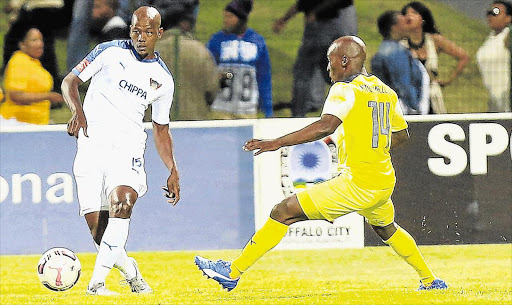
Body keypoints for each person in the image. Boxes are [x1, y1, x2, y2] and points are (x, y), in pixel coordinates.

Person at [194, 36, 448, 292]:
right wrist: (372, 142)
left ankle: (232, 272)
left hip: (358, 182)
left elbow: (326, 126)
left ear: (345, 61)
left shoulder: (344, 89)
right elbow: (402, 135)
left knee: (283, 211)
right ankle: (430, 280)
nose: (329, 68)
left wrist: (277, 142)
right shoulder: (385, 91)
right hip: (382, 179)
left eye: (331, 61)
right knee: (387, 229)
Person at [61, 6, 181, 295]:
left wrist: (172, 168)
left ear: (159, 34)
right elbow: (70, 82)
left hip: (127, 147)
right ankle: (132, 273)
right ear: (130, 31)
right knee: (99, 232)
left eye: (149, 32)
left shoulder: (163, 80)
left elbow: (161, 128)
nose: (142, 38)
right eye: (137, 31)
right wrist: (78, 111)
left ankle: (96, 284)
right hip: (90, 146)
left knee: (123, 201)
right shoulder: (109, 51)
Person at [272, 0, 357, 117]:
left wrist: (315, 12)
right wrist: (285, 18)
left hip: (327, 22)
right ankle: (352, 109)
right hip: (334, 22)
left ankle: (298, 115)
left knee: (304, 72)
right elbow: (302, 3)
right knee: (332, 71)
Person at [207, 0, 273, 119]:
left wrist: (268, 110)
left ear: (241, 18)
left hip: (247, 110)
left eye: (230, 17)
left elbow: (264, 77)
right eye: (225, 16)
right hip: (220, 109)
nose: (226, 21)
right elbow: (207, 70)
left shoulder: (257, 41)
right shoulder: (216, 41)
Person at [401, 1, 469, 114]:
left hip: (431, 94)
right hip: (409, 95)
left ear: (423, 19)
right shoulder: (400, 44)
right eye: (406, 14)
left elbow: (463, 56)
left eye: (414, 13)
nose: (409, 16)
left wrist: (448, 79)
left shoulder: (434, 40)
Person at [157, 5, 219, 120]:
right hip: (193, 125)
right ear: (185, 24)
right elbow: (212, 88)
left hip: (156, 128)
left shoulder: (149, 52)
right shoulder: (200, 51)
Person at [2, 0, 74, 89]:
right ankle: (53, 81)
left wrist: (14, 5)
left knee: (15, 40)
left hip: (39, 8)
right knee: (45, 45)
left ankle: (11, 72)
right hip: (57, 8)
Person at [0, 27, 64, 126]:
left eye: (41, 40)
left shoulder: (36, 64)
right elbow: (15, 95)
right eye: (34, 40)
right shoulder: (19, 61)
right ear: (22, 45)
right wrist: (49, 96)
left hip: (35, 124)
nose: (40, 44)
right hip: (16, 123)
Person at [371, 11, 429, 115]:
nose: (409, 26)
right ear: (394, 27)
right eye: (405, 22)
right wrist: (414, 108)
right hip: (403, 111)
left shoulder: (386, 49)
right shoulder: (395, 53)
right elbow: (403, 85)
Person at [476, 0, 512, 112]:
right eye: (489, 13)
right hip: (493, 99)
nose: (491, 16)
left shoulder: (508, 36)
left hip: (507, 96)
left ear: (508, 18)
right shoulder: (490, 38)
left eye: (496, 13)